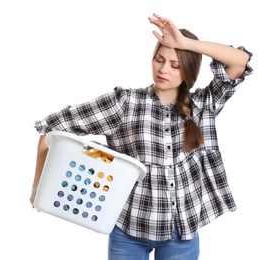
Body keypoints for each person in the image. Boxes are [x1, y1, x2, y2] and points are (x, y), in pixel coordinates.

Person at [30, 13, 253, 260]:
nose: (163, 69)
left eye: (175, 64)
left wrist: (187, 44)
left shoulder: (202, 105)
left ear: (188, 70)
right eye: (159, 60)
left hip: (182, 233)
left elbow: (240, 61)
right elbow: (52, 128)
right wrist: (38, 186)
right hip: (128, 230)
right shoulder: (126, 102)